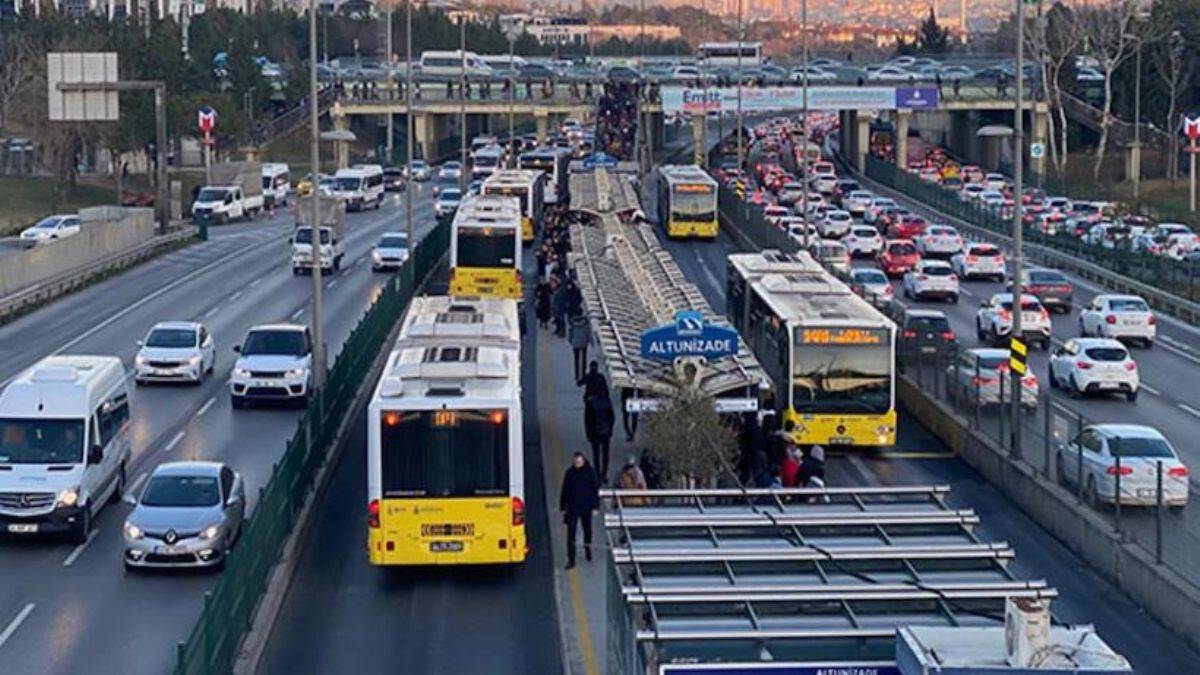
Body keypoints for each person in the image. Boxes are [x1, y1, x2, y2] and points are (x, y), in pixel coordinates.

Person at [559, 452, 601, 569]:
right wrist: (563, 506)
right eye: (575, 462)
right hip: (572, 508)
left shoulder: (590, 472)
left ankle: (587, 548)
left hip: (586, 507)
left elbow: (594, 491)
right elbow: (565, 490)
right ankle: (571, 559)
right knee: (571, 533)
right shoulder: (569, 473)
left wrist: (595, 507)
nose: (577, 464)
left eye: (579, 462)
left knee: (587, 530)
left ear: (583, 461)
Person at [585, 392, 615, 481]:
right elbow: (612, 418)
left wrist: (588, 433)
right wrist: (610, 429)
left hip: (595, 432)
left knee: (596, 454)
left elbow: (587, 420)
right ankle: (604, 473)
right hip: (605, 432)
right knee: (605, 454)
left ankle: (597, 473)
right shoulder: (607, 403)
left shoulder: (591, 404)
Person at [568, 313, 591, 380]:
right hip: (584, 342)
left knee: (576, 359)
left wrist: (570, 340)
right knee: (583, 358)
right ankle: (583, 374)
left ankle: (577, 375)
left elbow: (570, 333)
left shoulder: (572, 323)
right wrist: (588, 340)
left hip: (575, 343)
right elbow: (588, 332)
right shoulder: (585, 323)